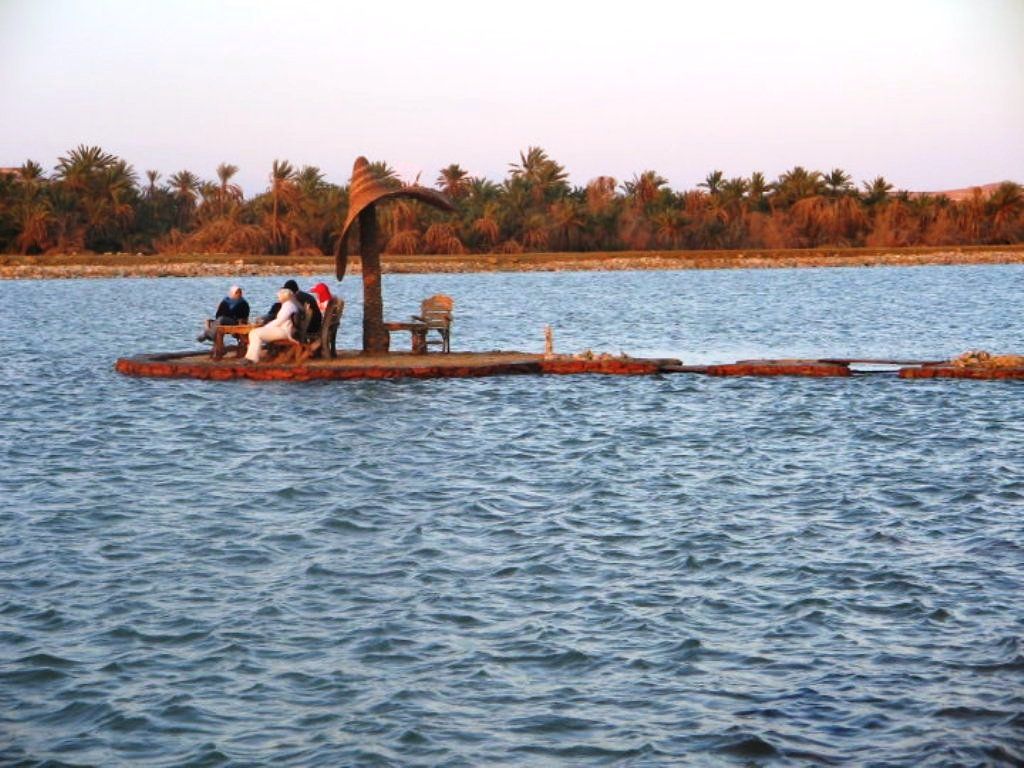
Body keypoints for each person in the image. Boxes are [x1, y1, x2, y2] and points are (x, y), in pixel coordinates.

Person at [245, 288, 299, 363]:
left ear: (284, 297)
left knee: (255, 333)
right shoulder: (290, 305)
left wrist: (266, 327)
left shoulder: (288, 306)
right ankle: (250, 357)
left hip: (284, 331)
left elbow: (279, 320)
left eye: (279, 296)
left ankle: (252, 358)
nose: (278, 298)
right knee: (254, 333)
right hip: (283, 329)